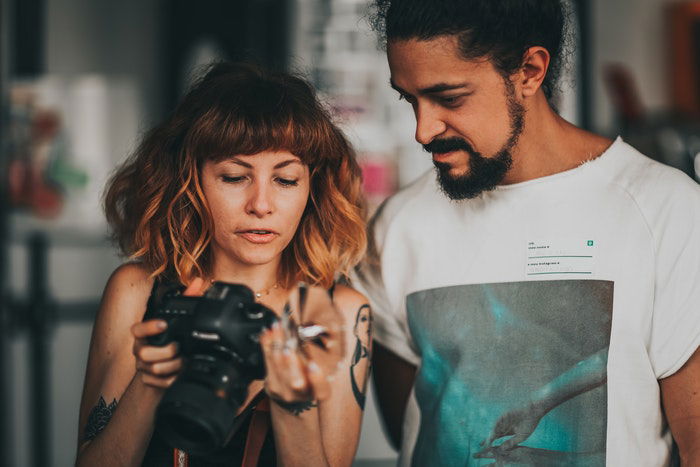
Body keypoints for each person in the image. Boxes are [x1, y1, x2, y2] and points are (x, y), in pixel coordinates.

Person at [352, 1, 700, 465]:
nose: (423, 129)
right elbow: (412, 429)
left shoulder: (666, 210)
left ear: (530, 72)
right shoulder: (398, 225)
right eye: (409, 98)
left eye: (450, 97)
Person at [76, 62, 372, 467]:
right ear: (190, 179)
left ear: (311, 188)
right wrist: (152, 378)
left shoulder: (338, 312)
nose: (261, 206)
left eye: (285, 180)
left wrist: (292, 401)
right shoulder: (138, 291)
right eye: (234, 177)